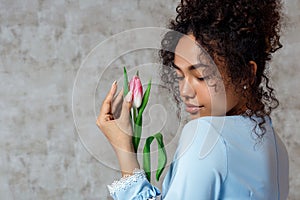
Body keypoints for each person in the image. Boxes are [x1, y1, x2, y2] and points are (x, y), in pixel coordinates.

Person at [96, 0, 289, 199]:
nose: (185, 91)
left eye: (201, 77)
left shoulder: (206, 136)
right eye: (180, 76)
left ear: (247, 74)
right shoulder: (274, 145)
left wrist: (124, 149)